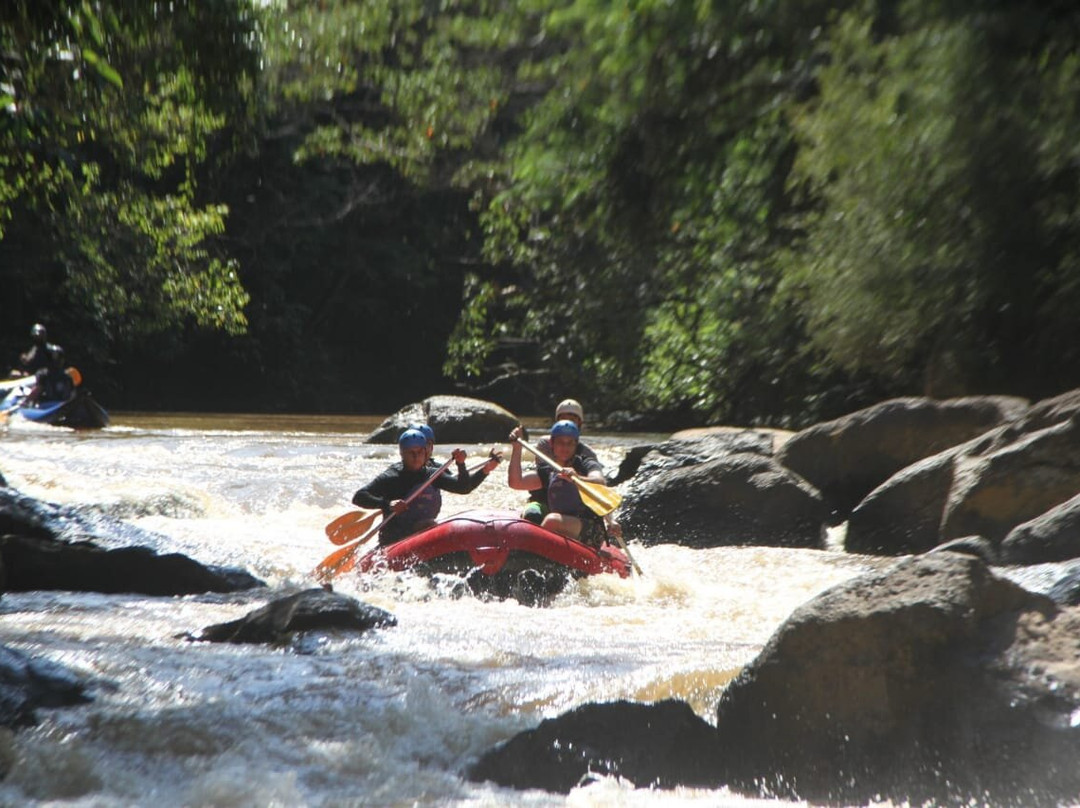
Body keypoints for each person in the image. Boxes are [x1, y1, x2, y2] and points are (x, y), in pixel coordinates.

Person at [351, 428, 500, 545]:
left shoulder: (433, 475)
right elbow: (359, 496)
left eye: (419, 452)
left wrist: (461, 464)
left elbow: (463, 488)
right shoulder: (391, 476)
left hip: (423, 532)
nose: (416, 457)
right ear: (402, 453)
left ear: (425, 452)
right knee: (427, 524)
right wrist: (387, 504)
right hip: (396, 537)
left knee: (428, 524)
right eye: (411, 453)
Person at [507, 420, 609, 546]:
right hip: (560, 525)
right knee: (535, 517)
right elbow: (516, 482)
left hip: (590, 529)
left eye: (570, 443)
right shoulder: (548, 470)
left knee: (552, 520)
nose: (565, 448)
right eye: (560, 442)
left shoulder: (586, 464)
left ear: (576, 445)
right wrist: (517, 449)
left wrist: (577, 478)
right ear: (552, 443)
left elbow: (600, 481)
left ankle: (532, 553)